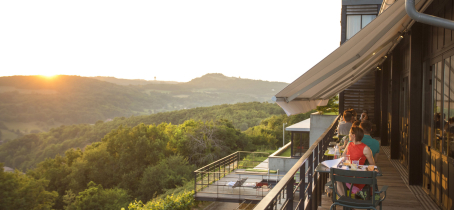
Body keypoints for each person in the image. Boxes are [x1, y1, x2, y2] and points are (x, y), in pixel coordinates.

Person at [338, 126, 376, 196]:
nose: (348, 135)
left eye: (349, 133)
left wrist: (365, 169)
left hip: (357, 176)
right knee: (334, 176)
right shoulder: (349, 144)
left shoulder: (365, 148)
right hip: (348, 173)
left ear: (353, 135)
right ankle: (346, 202)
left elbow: (372, 165)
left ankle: (345, 202)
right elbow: (342, 157)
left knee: (336, 179)